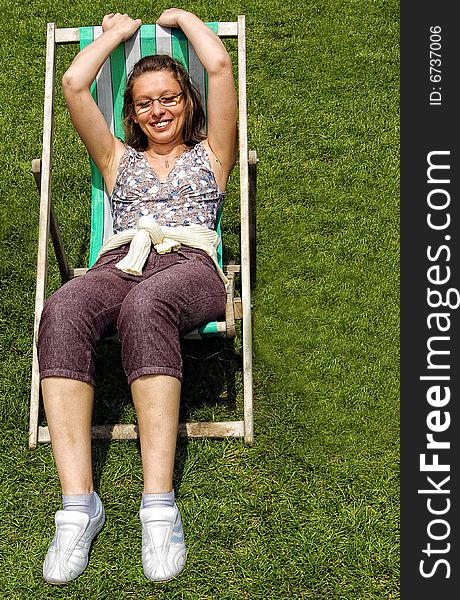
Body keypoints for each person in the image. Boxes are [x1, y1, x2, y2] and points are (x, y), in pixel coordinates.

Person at [38, 9, 237, 585]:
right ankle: (79, 508)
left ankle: (158, 505)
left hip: (190, 264)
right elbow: (75, 85)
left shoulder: (213, 155)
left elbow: (220, 66)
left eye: (170, 97)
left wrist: (182, 18)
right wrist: (117, 37)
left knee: (148, 305)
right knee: (65, 306)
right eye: (146, 101)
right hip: (120, 260)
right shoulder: (116, 159)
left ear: (187, 100)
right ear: (132, 110)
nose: (159, 110)